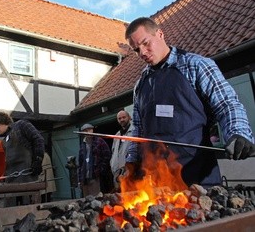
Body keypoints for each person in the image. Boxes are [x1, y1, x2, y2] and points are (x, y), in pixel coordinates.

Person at [124, 17, 255, 188]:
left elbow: (227, 103)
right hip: (158, 182)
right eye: (136, 50)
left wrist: (238, 133)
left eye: (145, 43)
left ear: (160, 34)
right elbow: (138, 130)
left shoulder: (196, 65)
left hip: (199, 178)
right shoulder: (140, 84)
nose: (142, 52)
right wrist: (132, 161)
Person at [0, 111, 44, 206]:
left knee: (28, 206)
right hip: (12, 180)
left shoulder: (22, 125)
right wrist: (2, 178)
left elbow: (38, 139)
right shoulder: (4, 141)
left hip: (27, 177)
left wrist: (38, 160)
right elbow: (9, 162)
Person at [78, 123, 112, 196]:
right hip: (85, 177)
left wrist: (101, 170)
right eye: (85, 130)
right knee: (87, 200)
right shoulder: (82, 145)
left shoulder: (99, 141)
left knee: (97, 198)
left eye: (89, 130)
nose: (87, 132)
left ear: (92, 130)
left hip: (95, 176)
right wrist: (80, 179)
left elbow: (107, 155)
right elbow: (80, 163)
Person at [110, 110, 134, 191]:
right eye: (119, 118)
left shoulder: (134, 133)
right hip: (117, 175)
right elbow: (113, 152)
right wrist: (112, 165)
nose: (122, 120)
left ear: (129, 117)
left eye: (124, 117)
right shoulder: (117, 135)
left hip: (130, 174)